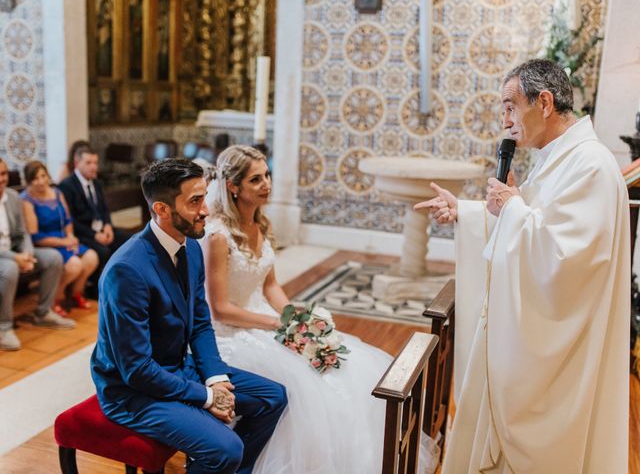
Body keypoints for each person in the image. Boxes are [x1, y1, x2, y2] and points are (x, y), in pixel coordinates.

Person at [414, 59, 629, 473]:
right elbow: (528, 217)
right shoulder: (560, 158)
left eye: (511, 107)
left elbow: (569, 260)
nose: (506, 121)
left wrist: (511, 208)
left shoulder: (591, 165)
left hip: (564, 356)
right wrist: (467, 212)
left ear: (544, 102)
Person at [201, 145, 436, 473]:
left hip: (265, 322)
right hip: (231, 334)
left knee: (348, 365)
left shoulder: (260, 224)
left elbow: (269, 286)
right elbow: (220, 308)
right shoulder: (218, 236)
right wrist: (274, 325)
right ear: (233, 186)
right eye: (256, 179)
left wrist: (296, 320)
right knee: (308, 386)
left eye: (267, 175)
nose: (267, 183)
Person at [90, 159, 287, 474]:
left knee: (273, 397)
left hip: (178, 368)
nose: (206, 210)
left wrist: (216, 377)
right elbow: (137, 370)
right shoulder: (127, 270)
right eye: (195, 201)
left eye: (204, 196)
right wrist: (208, 396)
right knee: (226, 448)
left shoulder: (191, 247)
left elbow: (199, 322)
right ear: (162, 209)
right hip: (132, 391)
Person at [0, 158, 74, 350]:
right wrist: (16, 258)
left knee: (53, 258)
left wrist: (28, 253)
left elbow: (23, 232)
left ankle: (43, 312)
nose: (2, 179)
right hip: (4, 257)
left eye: (4, 174)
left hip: (16, 251)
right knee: (9, 269)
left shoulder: (12, 197)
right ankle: (4, 327)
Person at [21, 161, 98, 314]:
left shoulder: (56, 193)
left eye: (43, 176)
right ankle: (55, 298)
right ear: (29, 182)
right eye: (35, 178)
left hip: (64, 239)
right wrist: (63, 242)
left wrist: (71, 237)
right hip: (45, 244)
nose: (41, 181)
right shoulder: (26, 199)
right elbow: (35, 236)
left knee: (91, 258)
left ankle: (76, 293)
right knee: (75, 265)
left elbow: (68, 220)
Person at [58, 140, 131, 296]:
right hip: (82, 233)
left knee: (129, 240)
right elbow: (71, 221)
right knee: (103, 251)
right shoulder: (67, 186)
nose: (94, 166)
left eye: (95, 162)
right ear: (77, 163)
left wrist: (108, 226)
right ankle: (96, 290)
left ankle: (122, 283)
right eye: (89, 162)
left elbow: (104, 210)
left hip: (100, 228)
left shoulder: (96, 183)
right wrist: (94, 235)